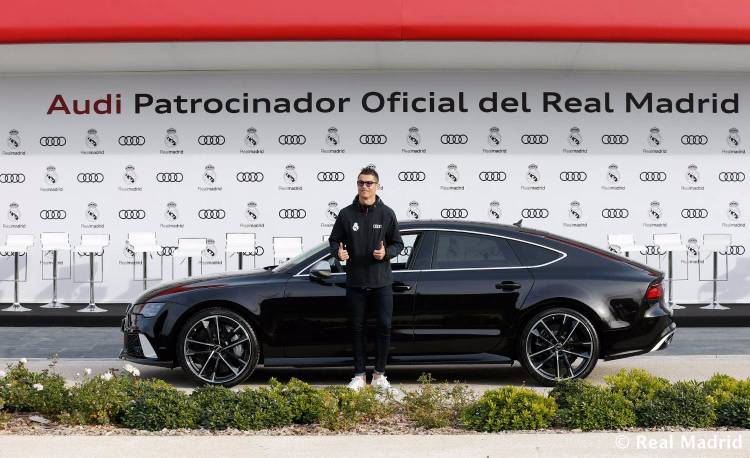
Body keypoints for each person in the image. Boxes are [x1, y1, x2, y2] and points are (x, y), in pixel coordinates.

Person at [328, 166, 403, 391]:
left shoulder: (387, 213)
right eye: (361, 182)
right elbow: (334, 241)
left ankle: (379, 375)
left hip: (382, 282)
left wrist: (386, 253)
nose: (364, 186)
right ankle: (359, 375)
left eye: (369, 183)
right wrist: (337, 253)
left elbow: (398, 243)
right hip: (356, 282)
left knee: (384, 327)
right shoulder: (346, 214)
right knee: (357, 328)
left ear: (377, 186)